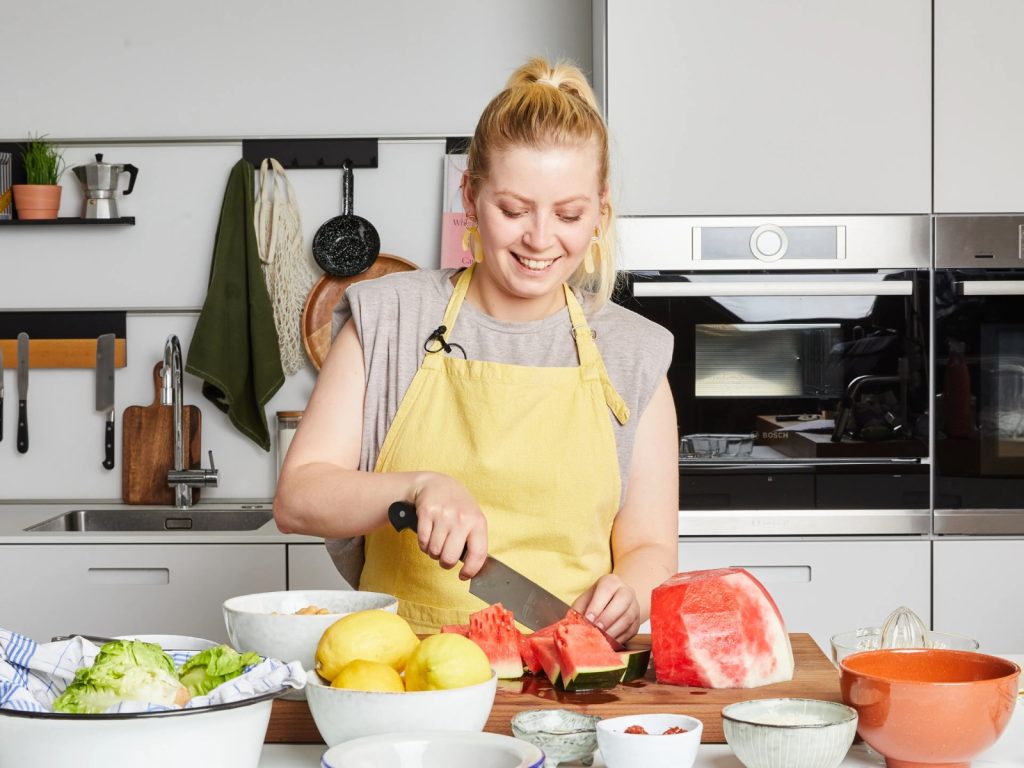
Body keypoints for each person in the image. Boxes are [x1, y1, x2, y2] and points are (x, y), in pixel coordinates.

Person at [274, 57, 678, 642]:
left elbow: (649, 547)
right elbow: (298, 497)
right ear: (470, 194)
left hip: (567, 674)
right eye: (513, 210)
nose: (540, 239)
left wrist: (632, 591)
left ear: (600, 210)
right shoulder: (389, 316)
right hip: (406, 674)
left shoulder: (633, 352)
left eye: (569, 214)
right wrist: (415, 488)